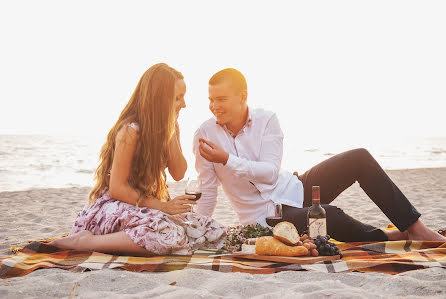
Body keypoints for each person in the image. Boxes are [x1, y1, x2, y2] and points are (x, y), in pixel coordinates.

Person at [193, 67, 445, 242]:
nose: (214, 106)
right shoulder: (204, 134)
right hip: (266, 218)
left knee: (360, 157)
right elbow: (208, 191)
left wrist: (227, 159)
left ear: (243, 96)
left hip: (295, 187)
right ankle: (389, 236)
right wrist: (197, 231)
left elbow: (270, 173)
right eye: (210, 99)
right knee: (328, 215)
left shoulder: (267, 119)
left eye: (221, 99)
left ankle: (417, 228)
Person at [50, 63, 226, 256]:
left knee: (210, 229)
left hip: (148, 206)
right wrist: (163, 207)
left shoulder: (170, 127)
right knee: (169, 236)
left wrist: (171, 133)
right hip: (117, 206)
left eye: (183, 96)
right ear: (159, 100)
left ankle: (127, 238)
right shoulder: (130, 131)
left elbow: (179, 173)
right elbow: (118, 188)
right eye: (177, 98)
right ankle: (87, 242)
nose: (184, 104)